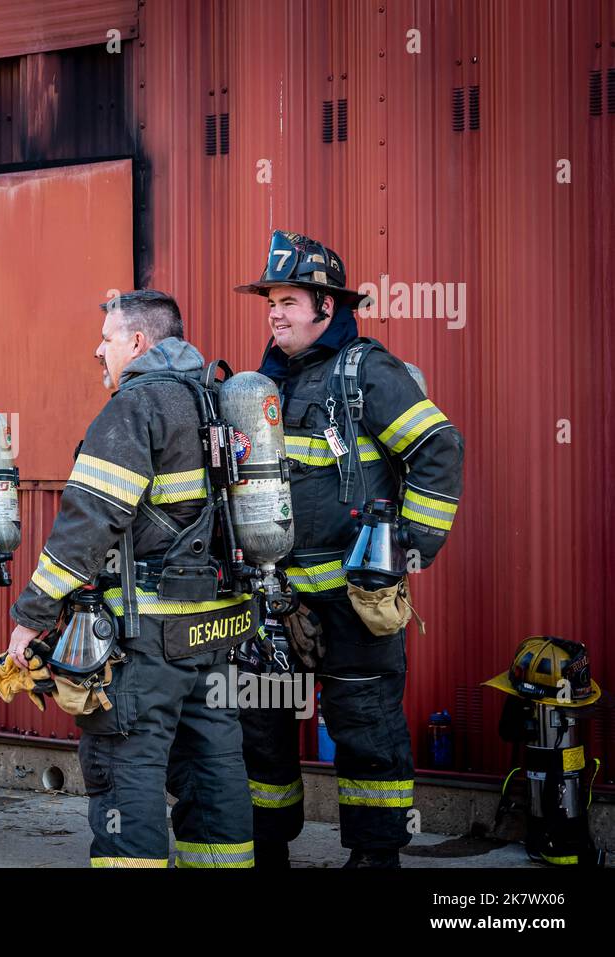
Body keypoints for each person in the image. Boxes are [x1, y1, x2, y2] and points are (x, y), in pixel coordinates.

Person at [233, 230, 463, 868]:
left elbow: (439, 450)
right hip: (278, 601)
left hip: (355, 601)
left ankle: (374, 856)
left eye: (287, 300)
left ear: (326, 307)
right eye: (269, 302)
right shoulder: (263, 387)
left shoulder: (368, 372)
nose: (274, 313)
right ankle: (267, 844)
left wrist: (403, 551)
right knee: (261, 724)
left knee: (365, 728)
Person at [8, 290, 257, 868]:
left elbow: (90, 520)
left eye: (108, 338)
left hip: (147, 636)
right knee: (212, 759)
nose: (100, 351)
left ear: (139, 343)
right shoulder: (219, 399)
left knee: (126, 764)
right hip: (217, 629)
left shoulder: (134, 407)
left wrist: (32, 616)